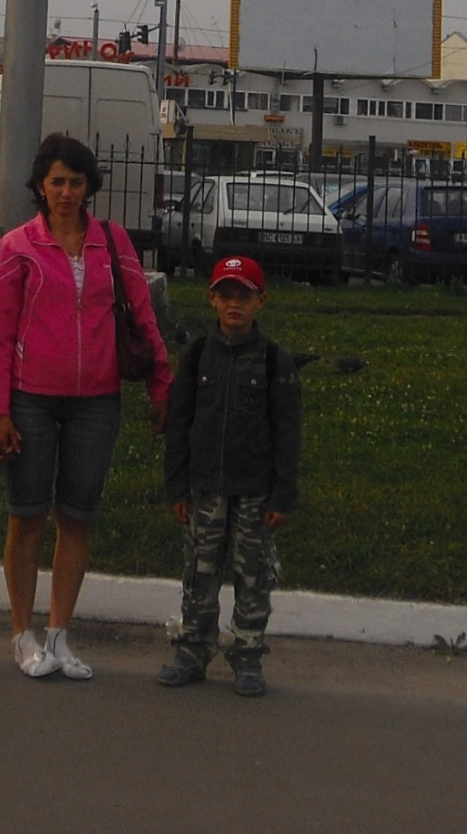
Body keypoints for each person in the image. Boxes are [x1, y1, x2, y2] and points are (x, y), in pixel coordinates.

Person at [0, 132, 173, 680]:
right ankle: (23, 634)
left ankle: (60, 634)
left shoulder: (113, 242)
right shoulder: (17, 246)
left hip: (97, 402)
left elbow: (143, 317)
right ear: (40, 187)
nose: (66, 192)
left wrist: (161, 386)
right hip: (30, 400)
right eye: (57, 182)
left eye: (76, 182)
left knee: (77, 516)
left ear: (90, 186)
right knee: (27, 515)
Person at [158, 254, 302, 698]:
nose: (234, 304)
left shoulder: (274, 361)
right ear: (212, 299)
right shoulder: (197, 355)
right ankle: (192, 651)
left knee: (253, 576)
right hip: (204, 488)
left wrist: (282, 493)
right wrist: (177, 485)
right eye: (225, 295)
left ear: (261, 301)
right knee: (199, 573)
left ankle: (248, 655)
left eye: (244, 296)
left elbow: (288, 431)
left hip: (254, 491)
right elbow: (179, 423)